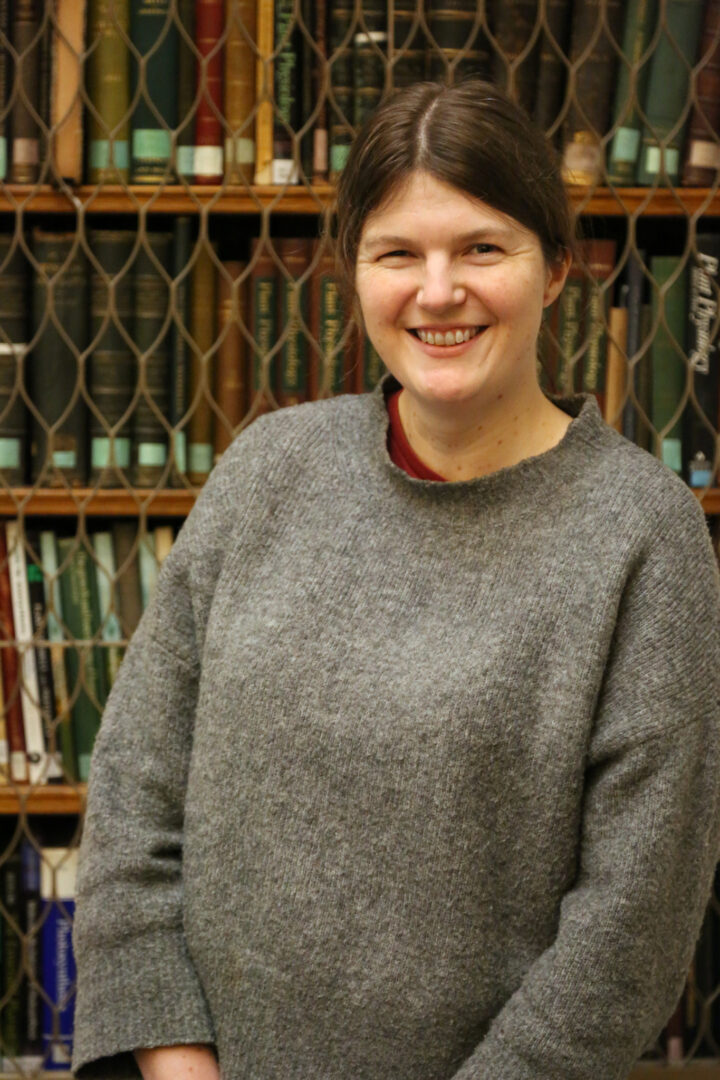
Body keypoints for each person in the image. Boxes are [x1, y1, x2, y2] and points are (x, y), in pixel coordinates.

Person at [72, 79, 720, 1080]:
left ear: (553, 268)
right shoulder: (267, 470)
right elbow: (132, 795)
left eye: (481, 248)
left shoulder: (643, 535)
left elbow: (634, 927)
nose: (437, 290)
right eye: (397, 254)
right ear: (355, 274)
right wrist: (175, 1064)